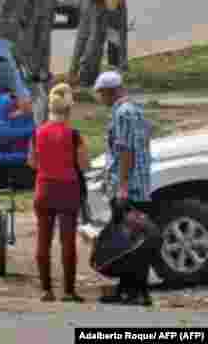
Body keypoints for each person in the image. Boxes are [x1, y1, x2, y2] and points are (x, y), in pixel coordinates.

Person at [93, 70, 155, 306]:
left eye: (101, 94)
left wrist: (123, 186)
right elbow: (145, 143)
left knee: (130, 241)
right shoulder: (137, 110)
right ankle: (127, 289)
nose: (100, 99)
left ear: (110, 91)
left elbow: (126, 150)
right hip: (140, 182)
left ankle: (137, 291)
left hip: (129, 187)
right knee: (133, 239)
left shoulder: (122, 113)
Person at [27, 83, 89, 302]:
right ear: (68, 111)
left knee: (43, 240)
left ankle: (46, 289)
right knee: (67, 241)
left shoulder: (38, 133)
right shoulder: (74, 135)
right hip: (67, 190)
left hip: (44, 189)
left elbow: (32, 162)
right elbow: (84, 164)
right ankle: (69, 291)